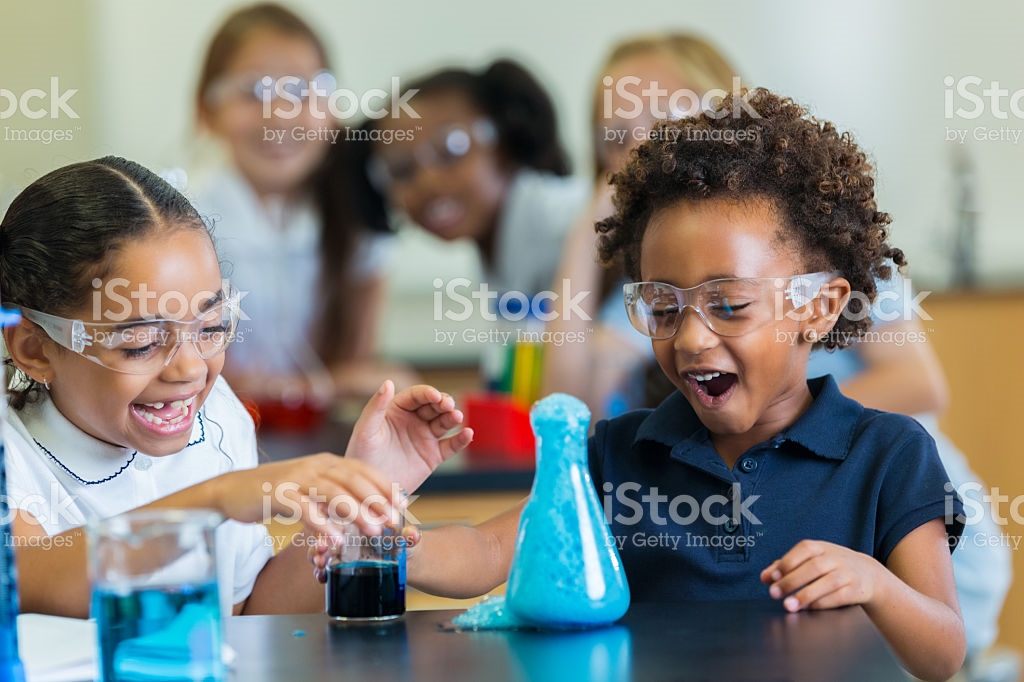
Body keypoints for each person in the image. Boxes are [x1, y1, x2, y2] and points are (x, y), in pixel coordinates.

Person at [323, 89, 969, 681]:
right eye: (663, 308)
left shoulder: (889, 455)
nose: (689, 339)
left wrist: (877, 586)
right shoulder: (621, 454)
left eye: (729, 305)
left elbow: (942, 652)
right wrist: (387, 545)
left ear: (821, 309)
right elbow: (498, 545)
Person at [0, 156, 472, 618]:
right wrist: (217, 498)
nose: (188, 368)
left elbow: (248, 611)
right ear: (35, 349)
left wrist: (357, 503)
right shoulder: (13, 454)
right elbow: (28, 577)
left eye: (210, 327)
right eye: (141, 343)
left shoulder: (218, 420)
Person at [191, 3, 409, 405]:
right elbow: (186, 374)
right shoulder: (178, 214)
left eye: (302, 91)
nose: (279, 114)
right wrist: (320, 387)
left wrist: (321, 388)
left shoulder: (360, 211)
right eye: (253, 91)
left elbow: (358, 366)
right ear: (207, 110)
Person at [806, 271, 1013, 664]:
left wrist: (774, 424)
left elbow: (918, 383)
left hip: (935, 571)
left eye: (733, 305)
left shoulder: (844, 260)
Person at [542, 33, 744, 419]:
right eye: (617, 140)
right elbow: (566, 413)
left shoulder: (813, 236)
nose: (641, 154)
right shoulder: (651, 287)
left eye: (664, 123)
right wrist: (588, 229)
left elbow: (900, 375)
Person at [357, 58, 589, 296]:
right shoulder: (497, 247)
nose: (428, 182)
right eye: (400, 170)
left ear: (503, 139)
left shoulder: (563, 219)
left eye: (450, 150)